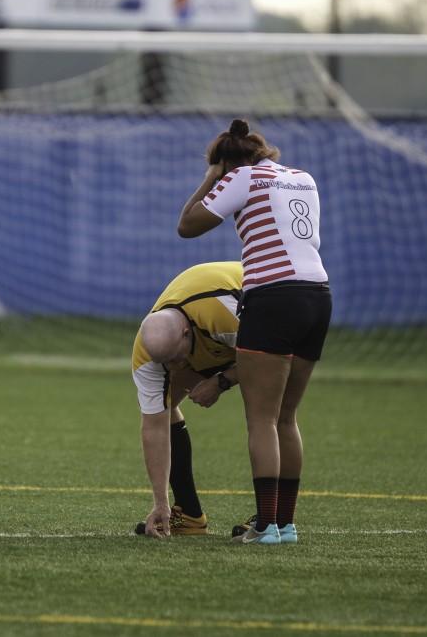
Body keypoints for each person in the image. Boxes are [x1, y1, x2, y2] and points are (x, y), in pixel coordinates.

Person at [177, 119, 331, 545]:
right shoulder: (302, 178)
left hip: (273, 295)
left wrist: (210, 178)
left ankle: (265, 526)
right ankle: (285, 524)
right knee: (286, 416)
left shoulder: (239, 177)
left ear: (226, 163)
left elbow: (187, 225)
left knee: (261, 419)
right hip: (318, 296)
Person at [134, 261, 244, 538]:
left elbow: (272, 357)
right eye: (165, 362)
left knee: (265, 412)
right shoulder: (147, 356)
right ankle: (190, 516)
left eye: (174, 359)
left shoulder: (224, 314)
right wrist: (161, 503)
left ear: (186, 333)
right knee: (165, 407)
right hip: (209, 342)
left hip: (267, 325)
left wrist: (221, 382)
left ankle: (272, 520)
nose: (171, 367)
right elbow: (153, 426)